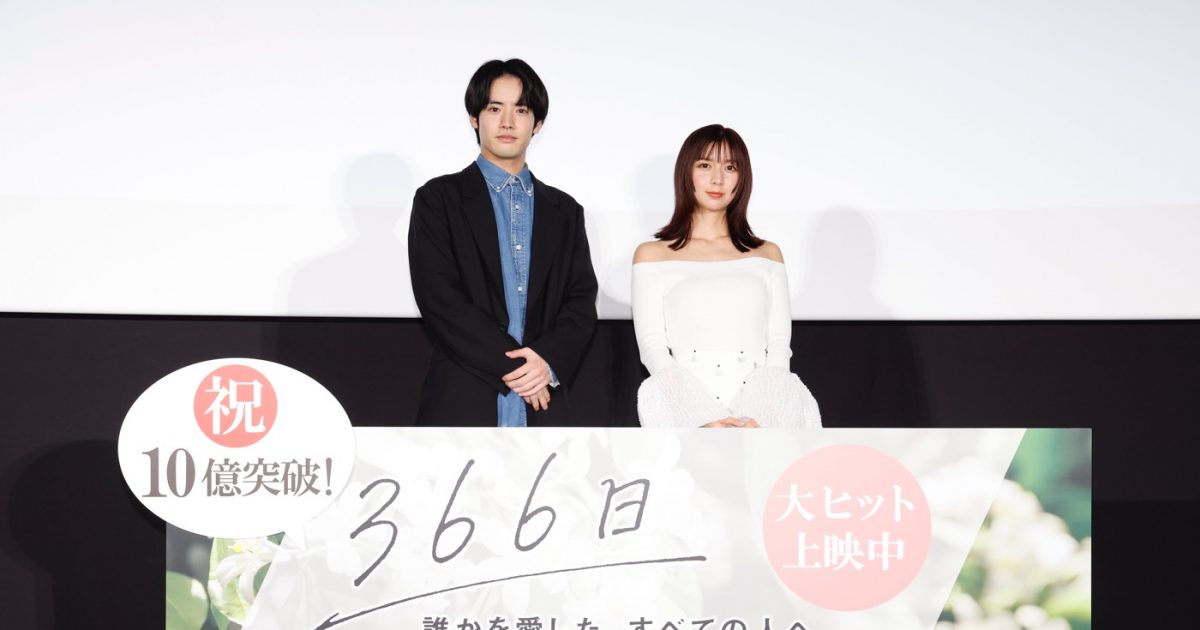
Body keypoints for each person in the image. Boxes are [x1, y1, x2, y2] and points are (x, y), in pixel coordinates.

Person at [408, 59, 598, 427]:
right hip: (464, 398)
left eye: (521, 110)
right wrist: (520, 369)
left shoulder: (565, 211)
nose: (508, 122)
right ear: (474, 118)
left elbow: (579, 303)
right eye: (495, 109)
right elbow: (440, 298)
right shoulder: (438, 199)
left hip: (545, 405)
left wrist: (545, 363)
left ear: (537, 123)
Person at [631, 124, 821, 428]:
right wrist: (700, 419)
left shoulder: (767, 254)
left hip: (761, 419)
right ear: (686, 172)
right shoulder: (652, 255)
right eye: (705, 165)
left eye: (730, 167)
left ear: (742, 178)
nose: (717, 179)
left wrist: (761, 419)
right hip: (686, 417)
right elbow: (652, 346)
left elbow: (778, 344)